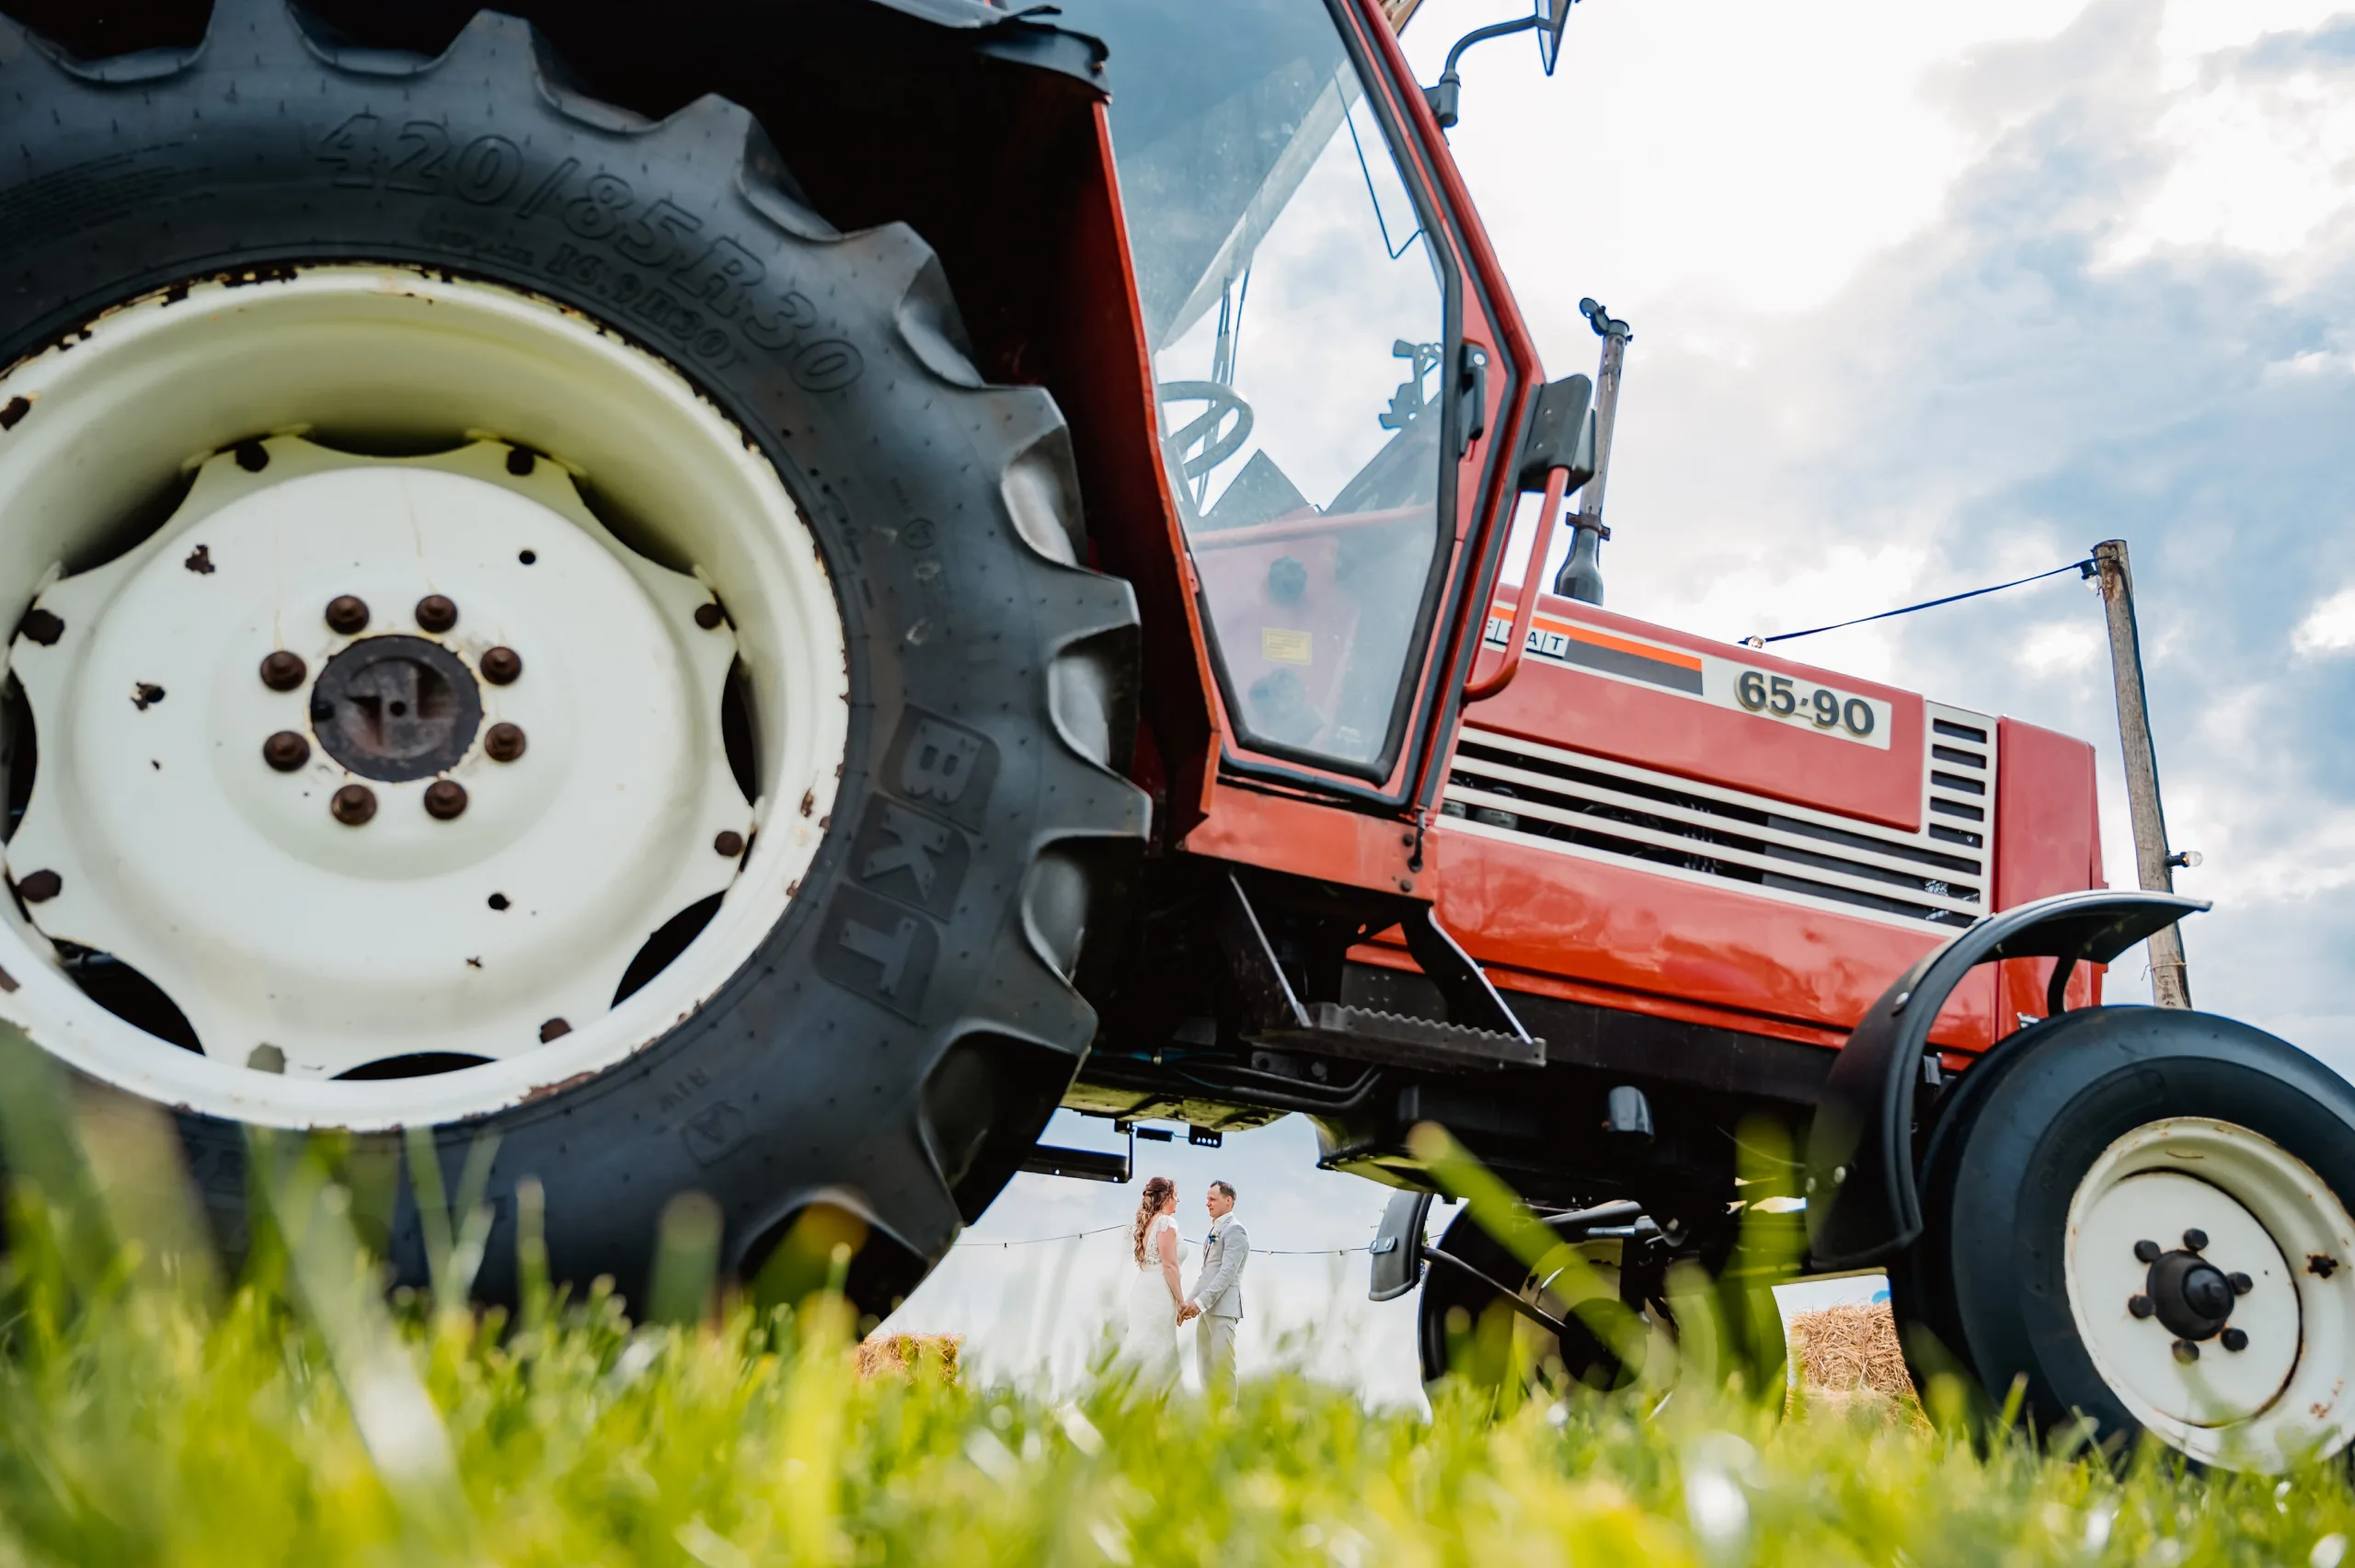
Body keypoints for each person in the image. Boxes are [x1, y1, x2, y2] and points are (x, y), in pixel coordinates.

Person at [1178, 1180, 1248, 1397]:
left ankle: (1227, 1422)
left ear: (1228, 1201)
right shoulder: (1214, 1230)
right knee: (1206, 1370)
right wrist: (1186, 1304)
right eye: (1207, 1199)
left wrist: (1198, 1304)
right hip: (1206, 1310)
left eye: (1212, 1199)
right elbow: (1206, 1273)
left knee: (1223, 1369)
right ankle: (1212, 1420)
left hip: (1223, 1309)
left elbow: (1226, 1274)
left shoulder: (1236, 1231)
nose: (1207, 1203)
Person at [1117, 1175, 1185, 1390]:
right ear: (1166, 1197)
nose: (1178, 1200)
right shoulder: (1165, 1222)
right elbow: (1170, 1266)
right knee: (1158, 1346)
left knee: (1143, 1342)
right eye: (1175, 1195)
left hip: (1144, 1288)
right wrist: (1181, 1302)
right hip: (1159, 1291)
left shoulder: (1146, 1223)